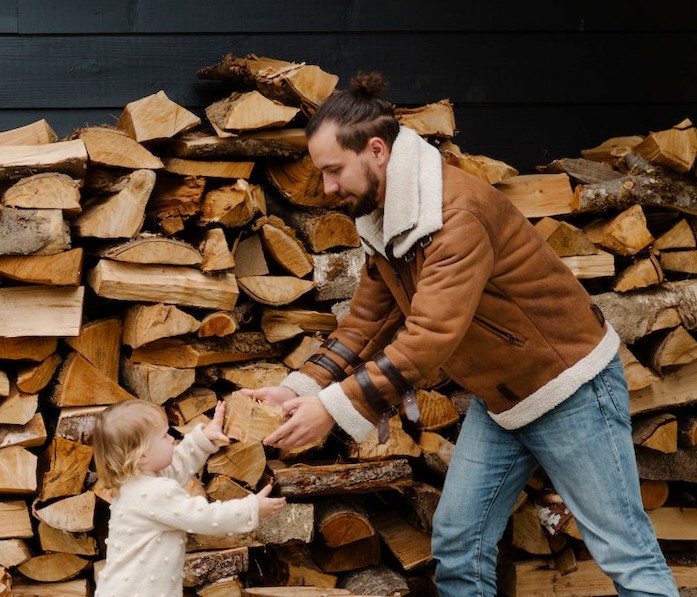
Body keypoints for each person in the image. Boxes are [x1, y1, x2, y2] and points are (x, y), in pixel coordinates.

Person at [244, 72, 678, 596]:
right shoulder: (387, 214)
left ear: (376, 150)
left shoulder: (453, 215)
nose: (329, 187)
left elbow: (428, 337)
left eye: (334, 170)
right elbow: (369, 319)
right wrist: (301, 388)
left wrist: (334, 409)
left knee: (624, 553)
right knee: (458, 541)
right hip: (505, 396)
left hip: (569, 388)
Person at [92, 398, 286, 597]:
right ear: (142, 456)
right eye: (163, 436)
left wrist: (203, 438)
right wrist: (252, 508)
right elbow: (206, 518)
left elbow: (176, 464)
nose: (171, 439)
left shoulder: (136, 481)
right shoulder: (153, 493)